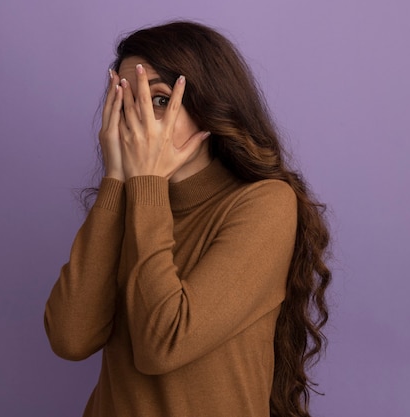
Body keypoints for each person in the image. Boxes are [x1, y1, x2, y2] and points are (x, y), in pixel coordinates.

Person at [44, 20, 331, 417]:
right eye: (124, 102)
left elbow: (164, 343)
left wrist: (145, 185)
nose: (138, 119)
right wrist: (115, 180)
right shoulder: (127, 205)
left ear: (208, 106)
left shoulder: (265, 203)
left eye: (159, 99)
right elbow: (70, 338)